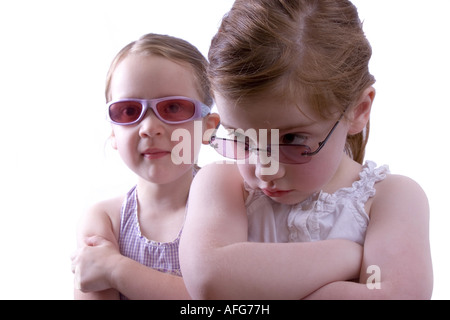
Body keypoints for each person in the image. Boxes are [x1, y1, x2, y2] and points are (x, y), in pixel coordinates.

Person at [179, 0, 433, 299]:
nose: (263, 169)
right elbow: (211, 282)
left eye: (291, 140)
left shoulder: (391, 198)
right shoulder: (221, 184)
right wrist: (347, 257)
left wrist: (252, 282)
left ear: (359, 110)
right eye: (243, 139)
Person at [71, 33, 220, 299]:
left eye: (173, 107)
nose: (149, 128)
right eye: (128, 111)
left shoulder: (231, 208)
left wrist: (117, 269)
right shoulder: (106, 220)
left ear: (208, 128)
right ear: (114, 134)